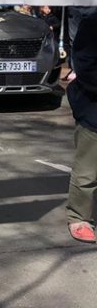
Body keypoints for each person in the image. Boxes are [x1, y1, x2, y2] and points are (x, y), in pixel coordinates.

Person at [66, 17, 97, 244]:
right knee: (88, 170)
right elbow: (85, 64)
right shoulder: (93, 23)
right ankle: (79, 216)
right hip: (93, 110)